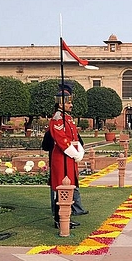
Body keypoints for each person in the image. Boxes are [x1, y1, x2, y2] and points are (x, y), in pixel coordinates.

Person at [49, 83, 88, 229]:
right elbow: (62, 140)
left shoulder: (68, 118)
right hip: (62, 158)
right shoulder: (58, 118)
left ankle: (68, 216)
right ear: (61, 103)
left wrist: (79, 150)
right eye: (68, 102)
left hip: (70, 158)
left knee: (70, 186)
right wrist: (74, 152)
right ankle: (60, 219)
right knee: (61, 188)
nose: (71, 105)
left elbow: (74, 138)